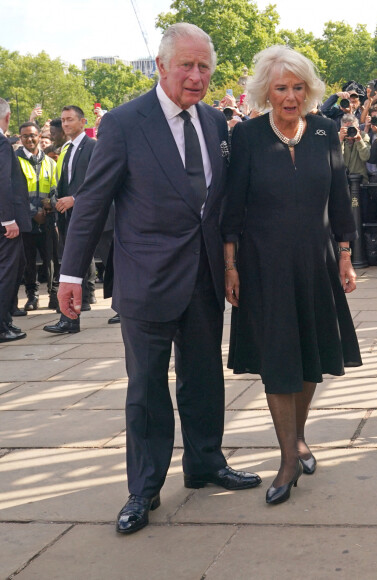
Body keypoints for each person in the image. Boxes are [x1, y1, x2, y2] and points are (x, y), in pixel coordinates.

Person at [57, 23, 261, 534]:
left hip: (204, 277)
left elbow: (216, 206)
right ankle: (143, 489)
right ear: (163, 66)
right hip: (145, 280)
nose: (197, 77)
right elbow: (92, 203)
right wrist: (70, 273)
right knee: (146, 388)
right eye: (187, 66)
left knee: (203, 377)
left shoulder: (216, 122)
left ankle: (205, 463)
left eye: (205, 68)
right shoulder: (125, 123)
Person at [221, 45, 362, 505]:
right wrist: (230, 264)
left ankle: (298, 437)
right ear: (266, 90)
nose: (289, 96)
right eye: (280, 88)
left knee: (310, 353)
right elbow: (232, 208)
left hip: (317, 261)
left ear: (309, 89)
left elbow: (339, 197)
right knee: (279, 358)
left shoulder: (324, 131)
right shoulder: (246, 137)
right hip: (264, 266)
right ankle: (286, 458)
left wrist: (344, 253)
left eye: (298, 87)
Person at [44, 106, 97, 333]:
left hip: (89, 215)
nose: (65, 124)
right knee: (70, 266)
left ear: (83, 122)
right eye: (63, 120)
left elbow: (98, 181)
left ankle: (72, 316)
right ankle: (70, 319)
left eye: (70, 120)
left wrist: (75, 199)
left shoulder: (93, 147)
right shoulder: (66, 148)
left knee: (75, 265)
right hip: (67, 217)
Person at [15, 121, 59, 311]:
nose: (30, 139)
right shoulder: (14, 160)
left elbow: (56, 188)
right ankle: (32, 297)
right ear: (20, 138)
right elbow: (15, 194)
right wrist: (34, 213)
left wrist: (52, 204)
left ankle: (54, 295)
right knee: (28, 262)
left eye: (33, 135)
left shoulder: (49, 161)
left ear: (39, 136)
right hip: (26, 221)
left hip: (48, 220)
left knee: (52, 260)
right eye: (25, 136)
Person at [0, 97, 31, 342]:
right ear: (8, 117)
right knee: (7, 273)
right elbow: (3, 182)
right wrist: (8, 220)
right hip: (4, 223)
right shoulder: (1, 142)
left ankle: (5, 322)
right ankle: (2, 326)